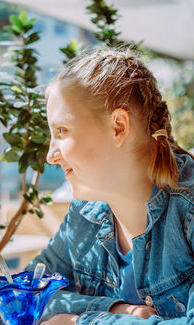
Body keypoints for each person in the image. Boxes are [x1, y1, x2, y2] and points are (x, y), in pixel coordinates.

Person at [26, 46, 194, 325]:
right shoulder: (85, 215)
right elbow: (26, 294)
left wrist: (83, 322)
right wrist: (115, 309)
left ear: (118, 127)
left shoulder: (188, 210)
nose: (50, 154)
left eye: (61, 131)